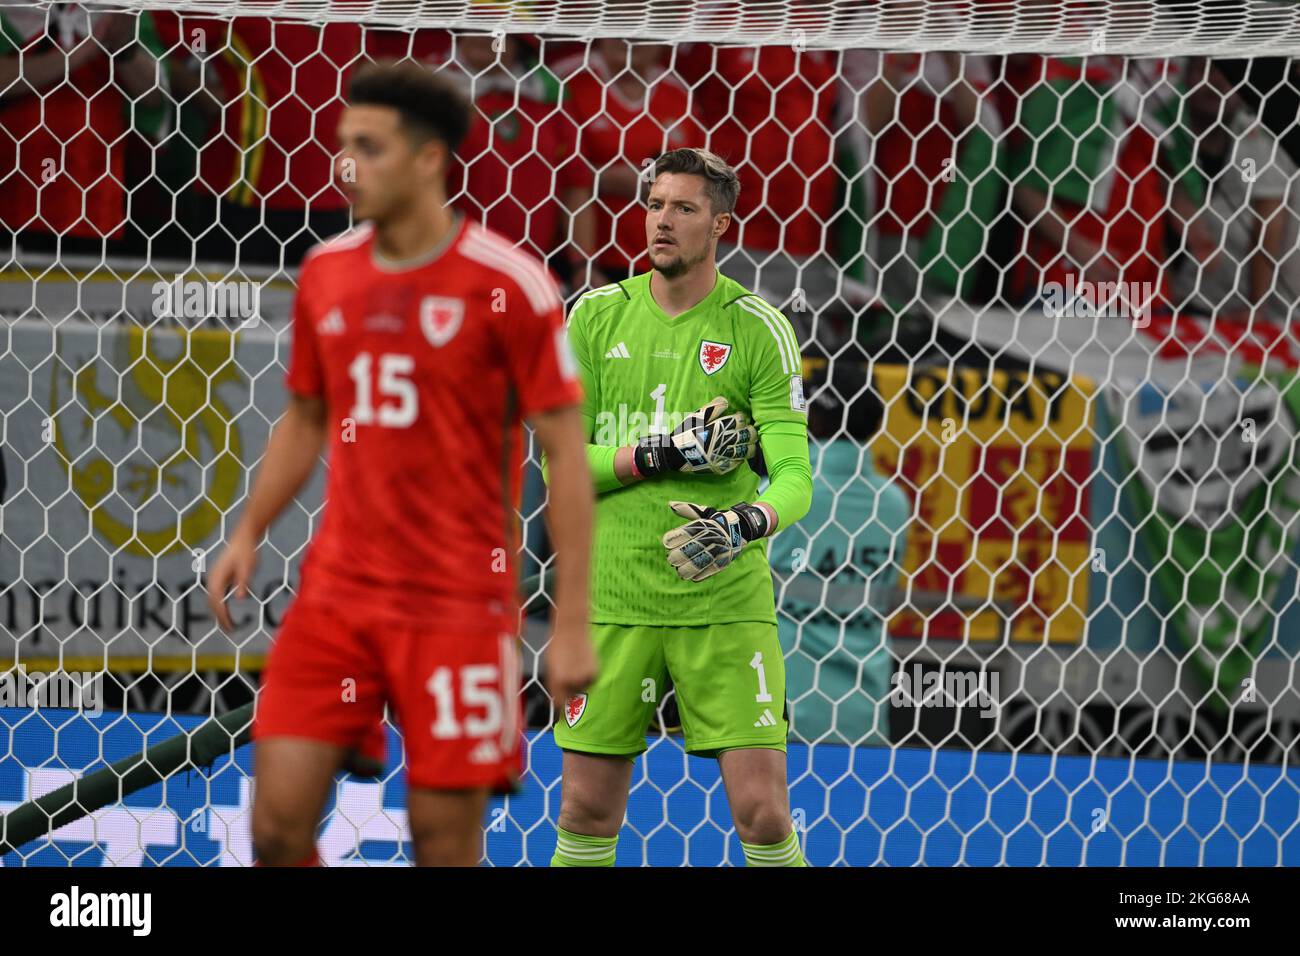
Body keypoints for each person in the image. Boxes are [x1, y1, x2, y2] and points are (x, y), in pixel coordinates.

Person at [206, 61, 598, 867]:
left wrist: (570, 622)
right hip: (337, 595)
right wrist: (247, 530)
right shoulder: (327, 272)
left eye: (370, 148)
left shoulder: (512, 285)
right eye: (345, 145)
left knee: (442, 848)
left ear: (428, 160)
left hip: (458, 604)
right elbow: (307, 417)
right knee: (276, 831)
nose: (346, 166)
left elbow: (564, 453)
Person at [551, 147, 813, 867]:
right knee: (585, 810)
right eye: (654, 205)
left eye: (684, 209)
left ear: (720, 224)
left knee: (763, 815)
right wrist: (662, 454)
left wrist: (742, 523)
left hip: (723, 600)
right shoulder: (596, 318)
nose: (661, 221)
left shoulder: (758, 328)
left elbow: (794, 477)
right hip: (612, 598)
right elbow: (565, 470)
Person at [768, 358, 910, 748]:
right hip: (862, 711)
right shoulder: (894, 503)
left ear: (814, 418)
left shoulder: (780, 493)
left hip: (778, 708)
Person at [553, 37, 705, 281]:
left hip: (656, 265)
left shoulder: (679, 94)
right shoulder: (567, 79)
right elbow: (545, 170)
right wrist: (604, 179)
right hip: (583, 263)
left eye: (642, 27)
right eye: (622, 18)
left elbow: (699, 179)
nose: (630, 37)